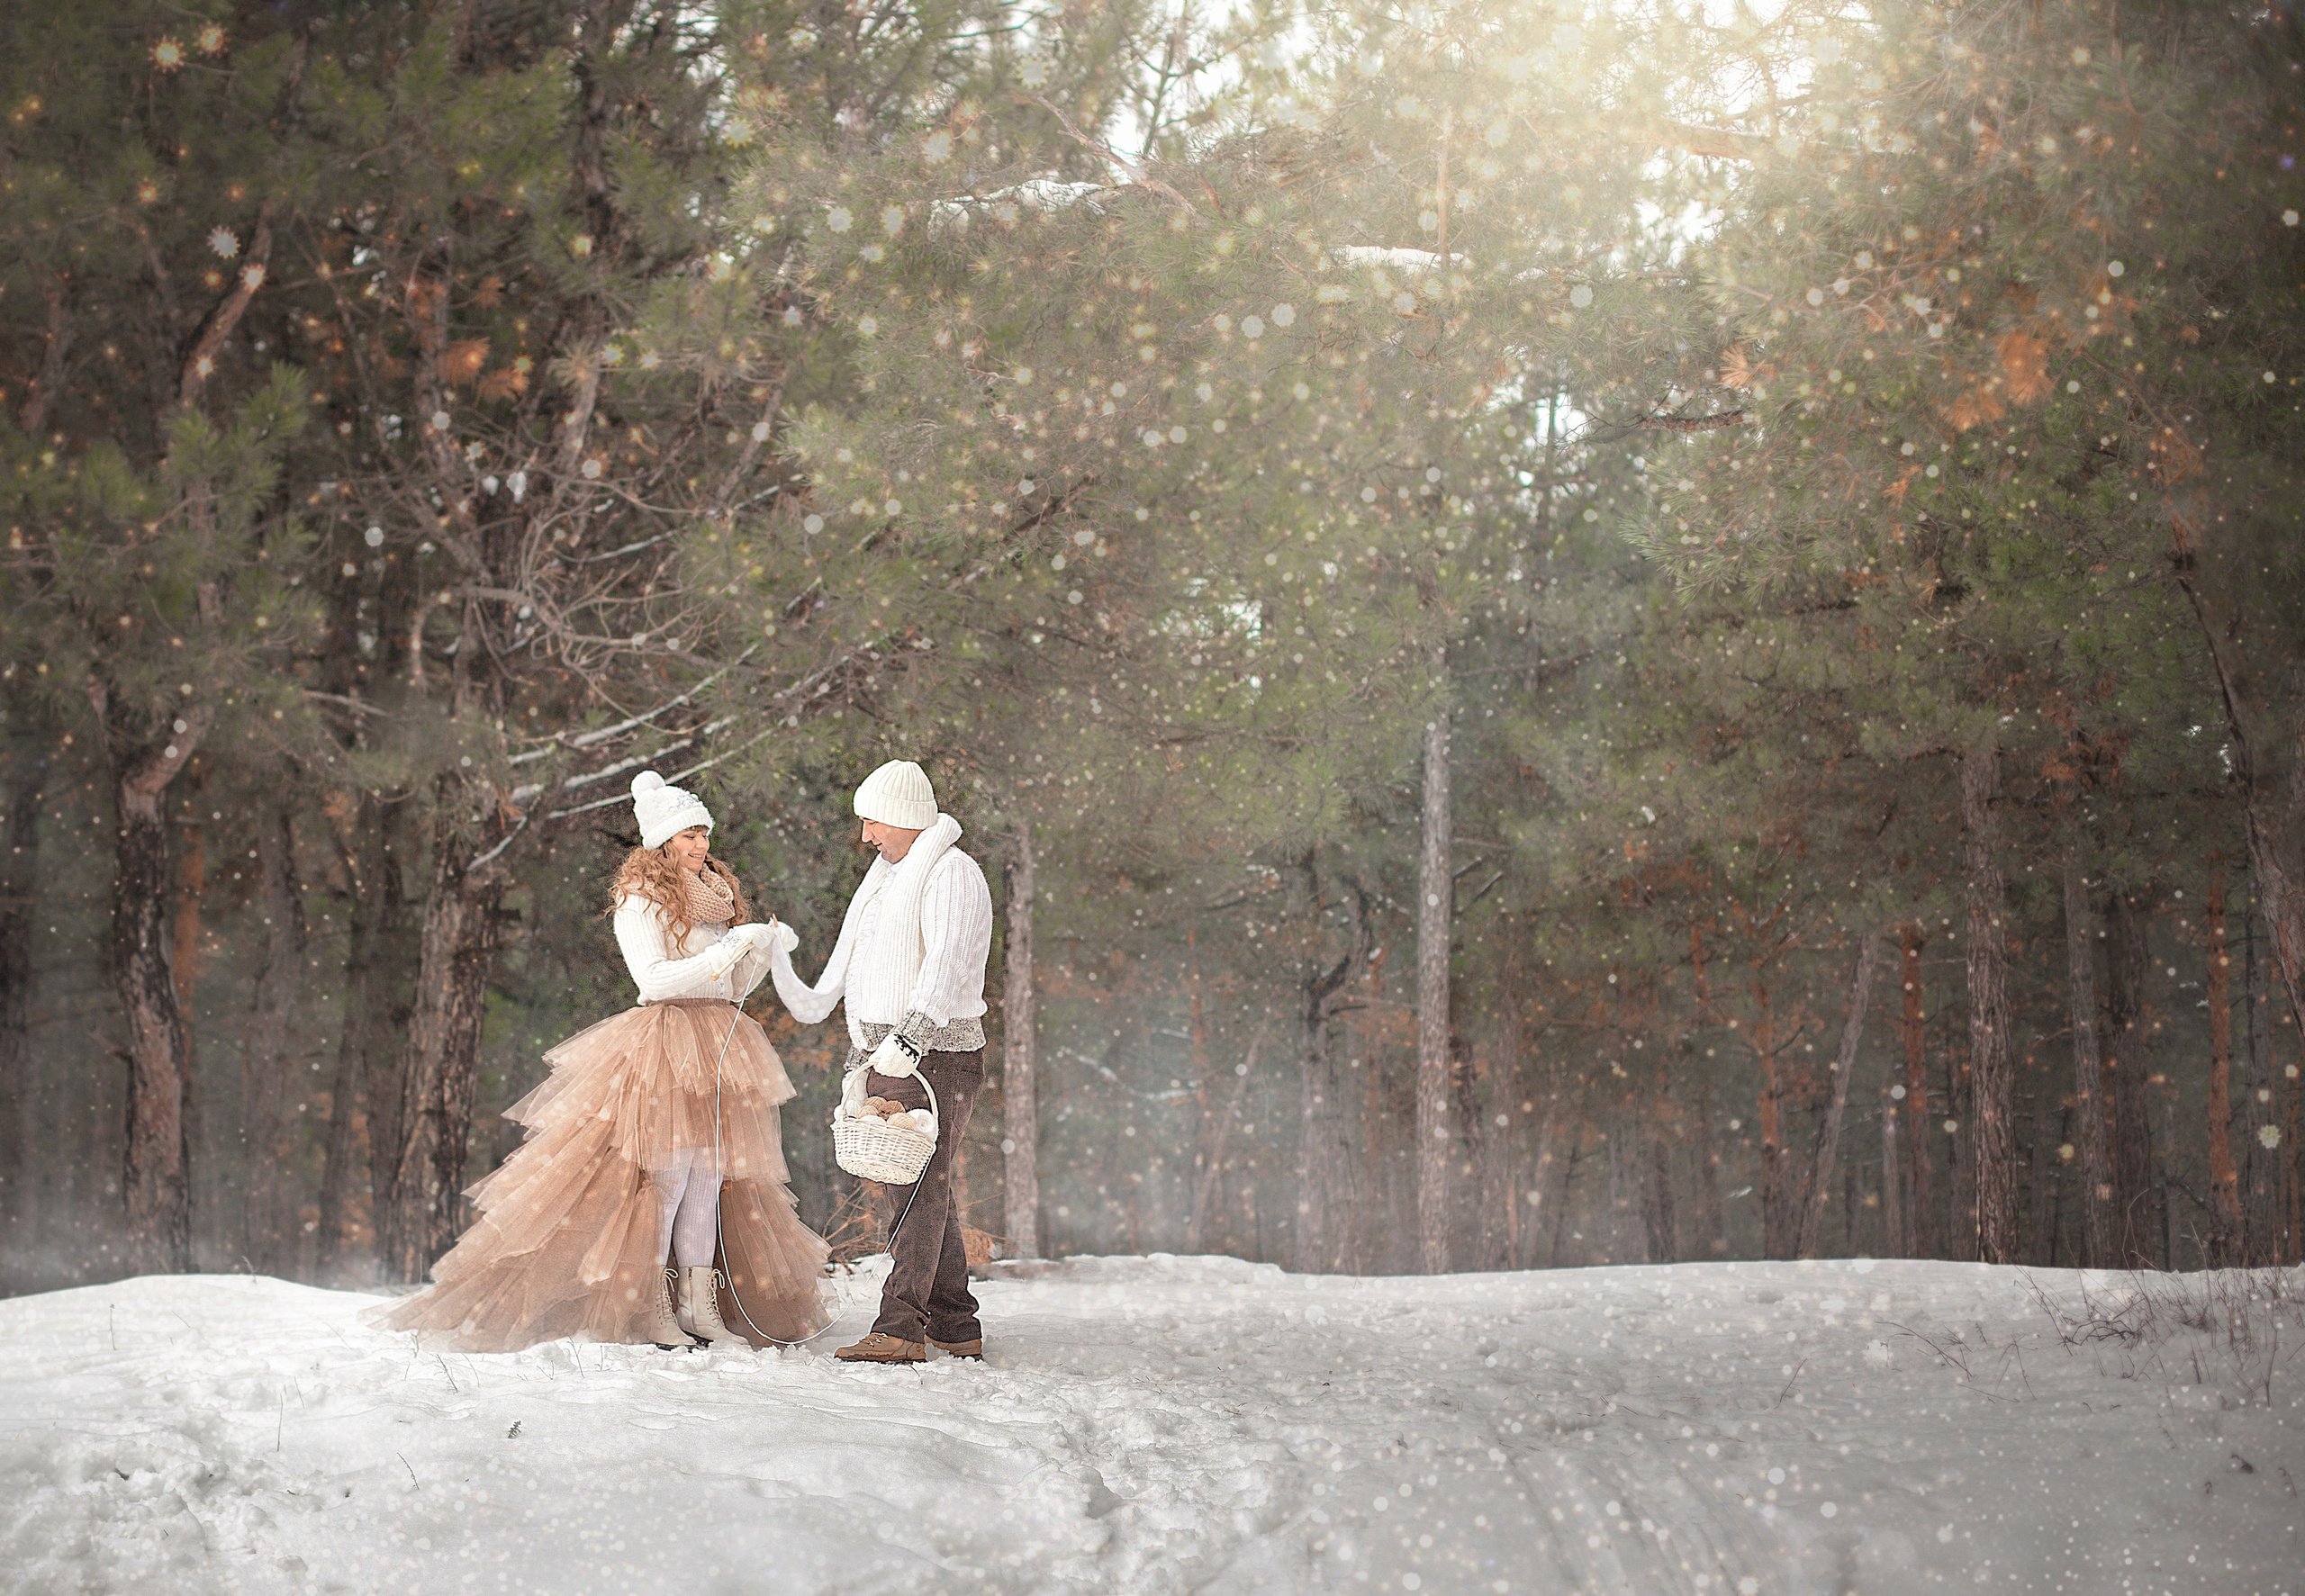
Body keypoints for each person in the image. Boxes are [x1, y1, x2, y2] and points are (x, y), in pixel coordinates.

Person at [377, 771, 832, 1353]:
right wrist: (727, 948)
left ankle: (699, 1303)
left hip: (720, 1037)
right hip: (666, 1039)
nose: (701, 844)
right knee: (667, 1178)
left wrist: (759, 951)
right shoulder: (640, 900)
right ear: (662, 840)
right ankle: (654, 1301)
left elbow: (732, 985)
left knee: (707, 1178)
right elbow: (654, 980)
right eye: (689, 835)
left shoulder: (716, 896)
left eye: (704, 833)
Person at [769, 759, 994, 1364]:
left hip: (936, 1056)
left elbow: (948, 966)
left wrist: (910, 1040)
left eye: (873, 821)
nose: (865, 835)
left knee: (916, 1191)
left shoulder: (951, 872)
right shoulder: (883, 883)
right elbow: (829, 994)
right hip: (890, 1058)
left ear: (905, 817)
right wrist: (775, 956)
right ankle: (954, 1323)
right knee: (924, 1187)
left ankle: (899, 1328)